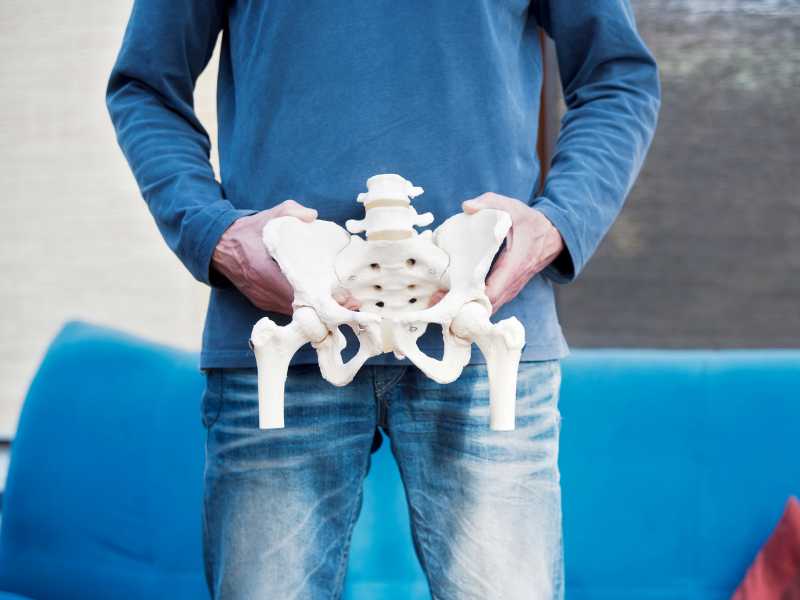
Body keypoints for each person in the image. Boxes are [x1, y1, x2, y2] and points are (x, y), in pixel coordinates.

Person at [106, 1, 660, 598]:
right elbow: (144, 86)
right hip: (283, 330)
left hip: (481, 331)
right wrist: (215, 234)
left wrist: (558, 224)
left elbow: (617, 76)